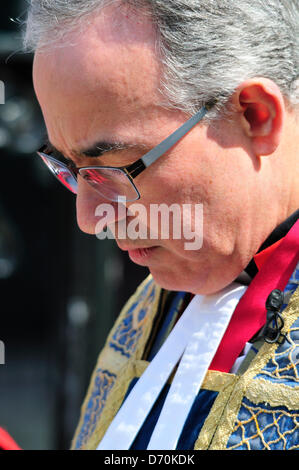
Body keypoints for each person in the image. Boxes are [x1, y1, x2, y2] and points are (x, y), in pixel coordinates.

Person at [24, 0, 299, 450]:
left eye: (115, 167)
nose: (90, 219)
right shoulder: (154, 301)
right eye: (69, 169)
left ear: (255, 115)